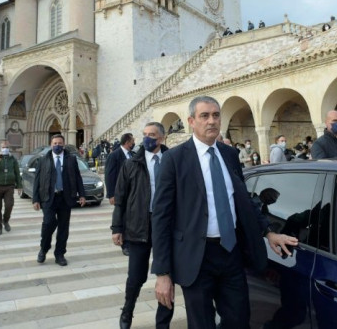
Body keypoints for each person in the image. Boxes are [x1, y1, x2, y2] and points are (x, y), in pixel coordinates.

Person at [151, 96, 298, 327]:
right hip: (196, 257)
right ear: (191, 121)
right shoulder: (174, 159)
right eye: (204, 116)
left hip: (231, 254)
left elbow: (245, 203)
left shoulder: (229, 155)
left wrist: (269, 232)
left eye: (216, 115)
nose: (212, 121)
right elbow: (160, 218)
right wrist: (162, 273)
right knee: (202, 324)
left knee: (239, 320)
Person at [111, 122, 174, 328]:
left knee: (167, 275)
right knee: (136, 276)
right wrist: (117, 228)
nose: (148, 138)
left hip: (167, 225)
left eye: (152, 135)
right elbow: (121, 198)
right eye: (145, 134)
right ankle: (127, 311)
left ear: (162, 138)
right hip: (139, 225)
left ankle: (162, 322)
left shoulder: (173, 161)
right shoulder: (131, 163)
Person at [32, 134, 86, 266]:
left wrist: (82, 195)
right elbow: (37, 180)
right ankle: (43, 249)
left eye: (60, 143)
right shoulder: (43, 160)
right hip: (48, 198)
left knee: (63, 228)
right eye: (55, 143)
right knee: (48, 223)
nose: (57, 145)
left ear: (64, 144)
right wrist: (35, 199)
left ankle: (60, 254)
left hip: (65, 198)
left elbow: (77, 177)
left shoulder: (71, 159)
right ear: (51, 144)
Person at [0, 140, 22, 236]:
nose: (5, 149)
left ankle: (5, 220)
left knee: (9, 205)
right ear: (0, 148)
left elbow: (17, 172)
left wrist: (19, 186)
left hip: (9, 186)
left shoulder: (12, 159)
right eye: (3, 147)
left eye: (7, 147)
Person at [106, 133, 135, 206]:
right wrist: (111, 195)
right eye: (132, 141)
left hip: (133, 192)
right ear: (127, 142)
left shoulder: (133, 154)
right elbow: (109, 176)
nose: (134, 143)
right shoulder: (114, 155)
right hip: (120, 192)